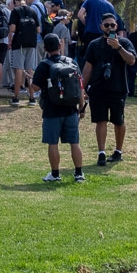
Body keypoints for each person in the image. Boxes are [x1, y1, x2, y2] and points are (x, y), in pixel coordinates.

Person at [84, 14, 137, 161]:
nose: (110, 28)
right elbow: (88, 68)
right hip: (98, 89)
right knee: (101, 120)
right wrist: (82, 87)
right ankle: (101, 153)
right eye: (106, 25)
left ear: (117, 27)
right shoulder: (94, 45)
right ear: (101, 26)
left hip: (118, 89)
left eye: (112, 25)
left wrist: (118, 47)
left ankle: (118, 152)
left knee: (118, 121)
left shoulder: (125, 43)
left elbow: (132, 60)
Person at [35, 35, 86, 183]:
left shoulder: (44, 66)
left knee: (53, 143)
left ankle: (55, 174)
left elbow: (35, 87)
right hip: (71, 109)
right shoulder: (72, 63)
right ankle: (78, 173)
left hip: (51, 110)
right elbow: (79, 86)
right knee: (74, 143)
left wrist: (30, 80)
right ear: (60, 46)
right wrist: (81, 107)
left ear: (45, 48)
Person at [7, 0, 41, 102]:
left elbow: (12, 29)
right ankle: (32, 97)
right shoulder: (33, 10)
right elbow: (39, 30)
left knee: (19, 69)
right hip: (32, 43)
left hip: (19, 44)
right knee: (30, 69)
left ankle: (16, 97)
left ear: (15, 2)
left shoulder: (15, 11)